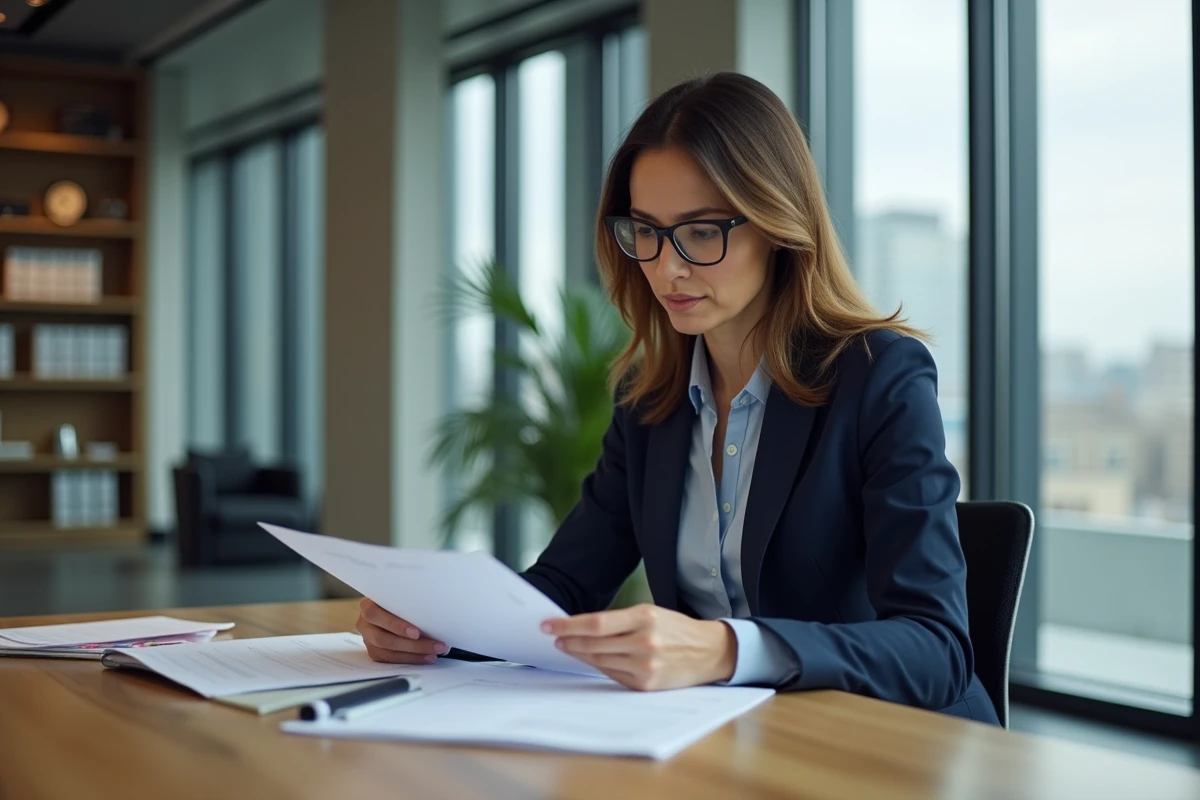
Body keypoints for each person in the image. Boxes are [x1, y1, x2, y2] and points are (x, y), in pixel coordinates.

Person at [357, 72, 999, 725]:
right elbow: (565, 589)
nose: (668, 268)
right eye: (646, 231)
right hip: (732, 738)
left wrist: (725, 649)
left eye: (700, 232)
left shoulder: (878, 376)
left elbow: (936, 647)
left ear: (778, 225)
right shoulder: (649, 400)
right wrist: (438, 625)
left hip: (886, 745)